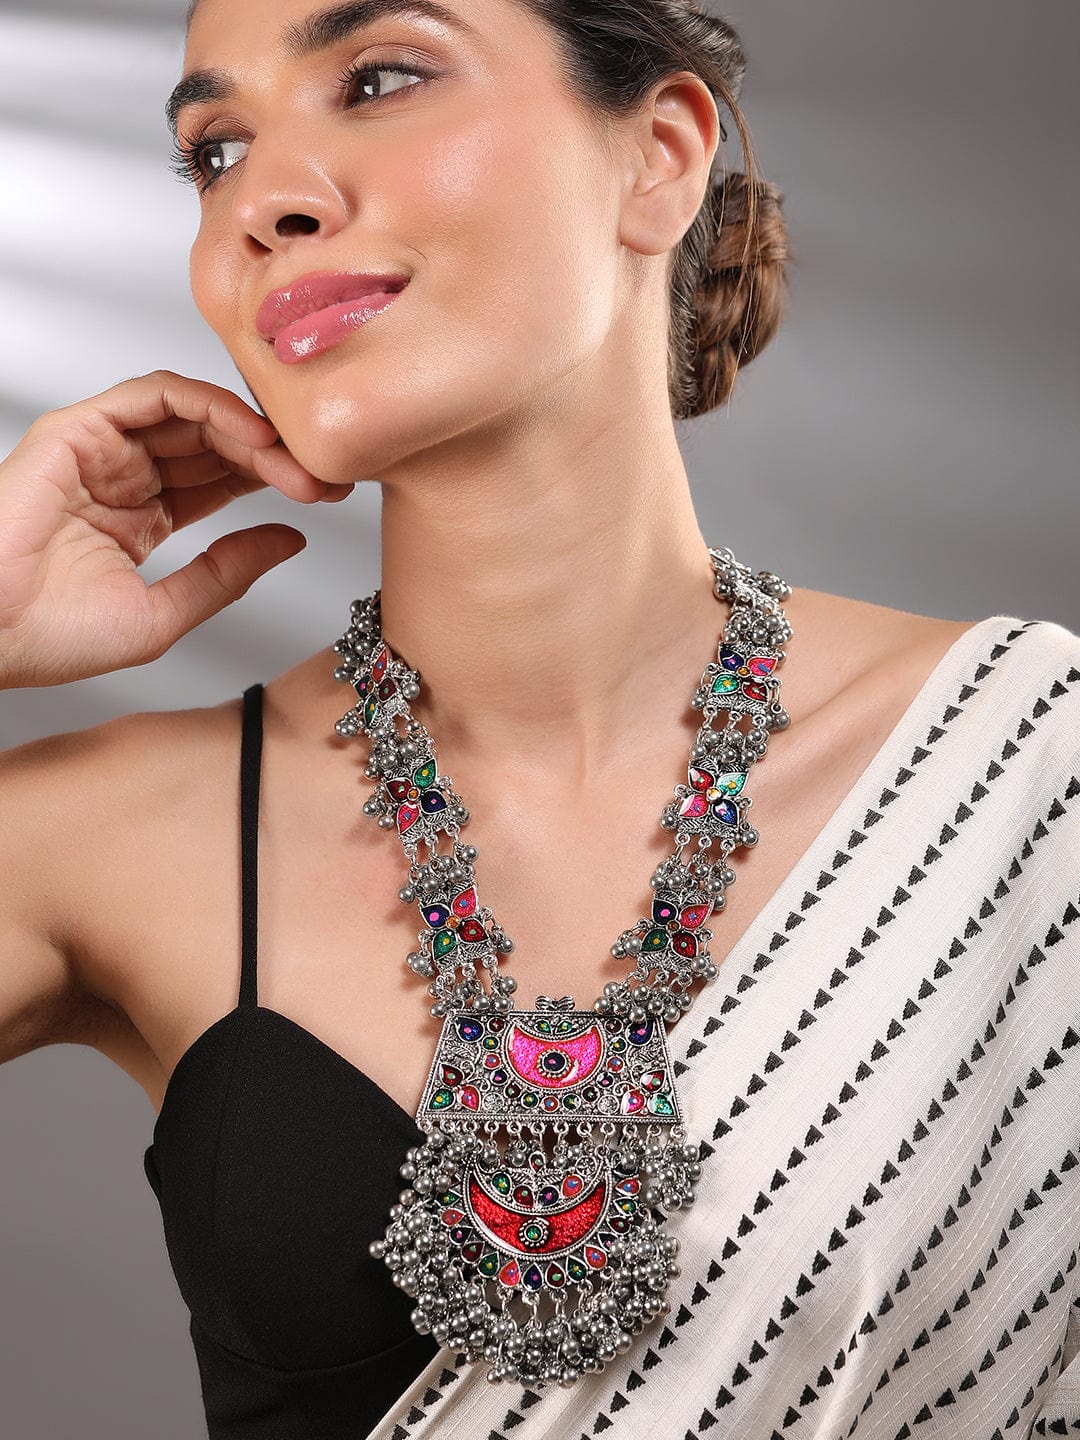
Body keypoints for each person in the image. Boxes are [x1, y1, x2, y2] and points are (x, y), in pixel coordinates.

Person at [1, 0, 1077, 1436]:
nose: (263, 200)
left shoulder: (1026, 767)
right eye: (215, 151)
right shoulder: (110, 836)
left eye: (378, 78)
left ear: (659, 155)